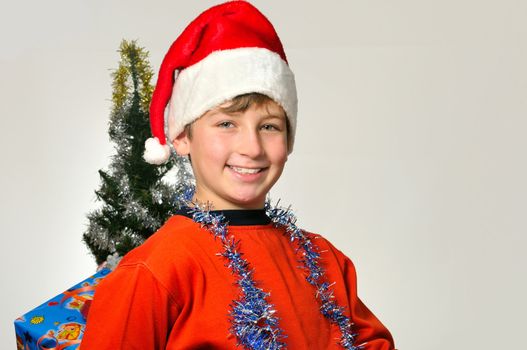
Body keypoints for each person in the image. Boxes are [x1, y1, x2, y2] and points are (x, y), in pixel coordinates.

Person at [82, 1, 395, 349]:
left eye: (270, 126)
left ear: (288, 141)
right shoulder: (153, 271)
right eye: (227, 124)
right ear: (183, 137)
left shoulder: (326, 261)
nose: (252, 147)